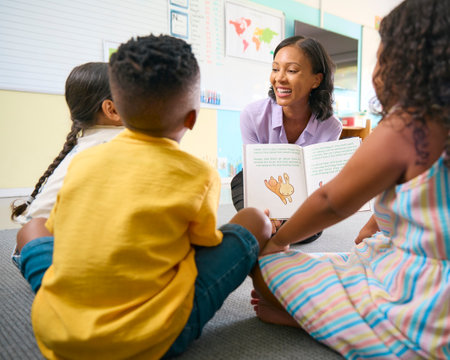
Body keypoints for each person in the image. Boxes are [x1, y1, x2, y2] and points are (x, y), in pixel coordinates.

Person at [16, 34, 272, 359]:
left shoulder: (82, 161)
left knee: (32, 229)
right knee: (255, 220)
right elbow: (201, 247)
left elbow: (60, 234)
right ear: (192, 118)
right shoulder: (200, 174)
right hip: (151, 339)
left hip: (58, 330)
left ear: (117, 108)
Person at [251, 0, 450, 358]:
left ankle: (316, 318)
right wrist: (376, 222)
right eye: (276, 68)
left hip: (418, 297)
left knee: (263, 264)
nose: (281, 77)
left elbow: (331, 201)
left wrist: (276, 241)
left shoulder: (406, 126)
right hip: (422, 267)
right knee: (350, 254)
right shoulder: (256, 112)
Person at [10, 61, 124, 269]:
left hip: (29, 245)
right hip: (50, 250)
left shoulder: (89, 141)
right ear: (112, 110)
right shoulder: (116, 144)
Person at [232, 35, 342, 242]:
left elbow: (320, 186)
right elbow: (255, 175)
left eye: (291, 70)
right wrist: (269, 210)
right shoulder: (252, 115)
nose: (279, 78)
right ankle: (266, 224)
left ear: (316, 80)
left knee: (311, 230)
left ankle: (271, 227)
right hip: (263, 183)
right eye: (275, 69)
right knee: (240, 180)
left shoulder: (331, 126)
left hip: (304, 194)